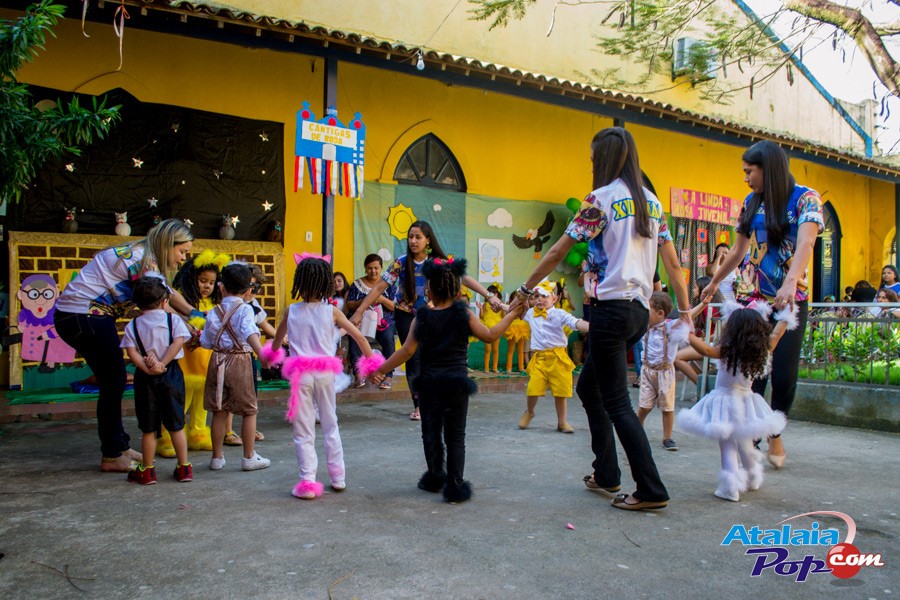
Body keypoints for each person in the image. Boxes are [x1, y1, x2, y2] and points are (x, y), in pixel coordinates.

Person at [510, 127, 692, 512]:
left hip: (611, 311)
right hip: (638, 311)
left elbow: (558, 252)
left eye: (593, 159)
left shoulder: (602, 199)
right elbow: (674, 264)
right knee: (590, 389)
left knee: (617, 403)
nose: (591, 165)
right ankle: (607, 473)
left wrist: (525, 291)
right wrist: (686, 310)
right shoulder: (651, 203)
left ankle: (651, 489)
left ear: (604, 160)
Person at [701, 140, 823, 470]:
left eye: (749, 171)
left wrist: (790, 280)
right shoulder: (751, 202)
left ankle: (775, 432)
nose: (745, 178)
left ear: (767, 169)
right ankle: (751, 435)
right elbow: (739, 250)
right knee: (752, 372)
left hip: (789, 301)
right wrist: (715, 281)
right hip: (752, 301)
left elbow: (807, 241)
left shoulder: (806, 198)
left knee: (784, 376)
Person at [370, 258, 521, 503]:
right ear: (458, 292)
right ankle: (455, 485)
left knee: (430, 432)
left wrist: (380, 370)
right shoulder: (464, 314)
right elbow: (491, 335)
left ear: (429, 291)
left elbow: (406, 351)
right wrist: (512, 314)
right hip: (456, 385)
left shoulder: (422, 317)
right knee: (456, 436)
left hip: (429, 385)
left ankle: (434, 477)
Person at [54, 219, 195, 472]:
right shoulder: (144, 261)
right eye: (182, 251)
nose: (183, 258)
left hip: (76, 316)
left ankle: (119, 446)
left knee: (113, 380)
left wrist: (193, 316)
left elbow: (167, 294)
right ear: (167, 243)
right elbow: (164, 301)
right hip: (85, 316)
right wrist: (192, 323)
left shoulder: (143, 255)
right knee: (114, 381)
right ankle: (111, 455)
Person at [350, 221, 503, 421]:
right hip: (406, 315)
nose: (413, 241)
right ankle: (419, 405)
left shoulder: (439, 262)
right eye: (410, 237)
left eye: (418, 237)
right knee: (412, 358)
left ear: (428, 240)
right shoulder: (400, 262)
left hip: (433, 314)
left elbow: (464, 278)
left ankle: (436, 398)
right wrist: (359, 311)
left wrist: (489, 296)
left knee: (430, 357)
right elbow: (379, 287)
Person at [268, 256, 377, 500]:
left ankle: (308, 481)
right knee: (330, 424)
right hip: (326, 374)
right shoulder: (332, 311)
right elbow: (360, 337)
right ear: (326, 282)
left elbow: (277, 342)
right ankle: (338, 477)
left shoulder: (291, 311)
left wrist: (270, 356)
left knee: (303, 429)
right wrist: (372, 364)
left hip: (301, 375)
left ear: (300, 282)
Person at [677, 303, 794, 501]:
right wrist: (786, 315)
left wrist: (687, 334)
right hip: (747, 401)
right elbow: (777, 334)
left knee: (727, 443)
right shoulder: (763, 349)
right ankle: (752, 477)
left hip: (725, 401)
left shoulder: (727, 351)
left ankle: (730, 488)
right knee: (745, 441)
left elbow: (706, 350)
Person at [155, 249, 229, 457]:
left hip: (206, 361)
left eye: (211, 282)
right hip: (185, 363)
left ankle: (198, 434)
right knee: (179, 401)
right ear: (191, 279)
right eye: (202, 280)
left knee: (202, 402)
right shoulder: (183, 304)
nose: (207, 286)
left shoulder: (215, 304)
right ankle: (168, 437)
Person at [120, 277, 193, 484]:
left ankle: (147, 470)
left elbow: (131, 351)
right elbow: (178, 343)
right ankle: (184, 468)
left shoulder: (133, 325)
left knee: (148, 427)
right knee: (176, 424)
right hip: (171, 374)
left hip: (145, 377)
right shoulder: (173, 320)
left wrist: (147, 368)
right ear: (164, 302)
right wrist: (162, 364)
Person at [201, 263, 270, 472]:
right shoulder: (245, 309)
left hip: (217, 360)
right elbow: (250, 332)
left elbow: (206, 342)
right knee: (249, 410)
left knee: (219, 410)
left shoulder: (214, 311)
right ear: (248, 290)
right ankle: (249, 457)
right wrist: (262, 354)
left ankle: (216, 458)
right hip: (240, 361)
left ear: (221, 287)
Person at [517, 280, 589, 434]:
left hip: (558, 358)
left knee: (560, 392)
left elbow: (575, 323)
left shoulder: (559, 314)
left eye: (545, 296)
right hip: (539, 359)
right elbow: (513, 311)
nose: (540, 299)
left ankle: (562, 422)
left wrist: (593, 327)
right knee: (532, 389)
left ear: (555, 298)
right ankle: (529, 412)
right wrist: (499, 305)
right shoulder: (530, 313)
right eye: (537, 296)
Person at [222, 264, 274, 446]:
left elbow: (264, 325)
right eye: (248, 285)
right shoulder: (231, 306)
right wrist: (262, 353)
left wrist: (282, 339)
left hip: (246, 355)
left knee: (250, 394)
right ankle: (228, 431)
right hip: (231, 354)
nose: (251, 291)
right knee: (227, 396)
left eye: (255, 287)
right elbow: (250, 334)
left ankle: (248, 430)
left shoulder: (253, 306)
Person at [637, 291, 690, 451]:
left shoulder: (669, 327)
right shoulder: (644, 326)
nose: (644, 313)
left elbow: (686, 317)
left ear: (660, 314)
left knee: (667, 407)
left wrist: (703, 304)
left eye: (648, 310)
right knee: (644, 406)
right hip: (647, 371)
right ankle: (636, 429)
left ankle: (667, 437)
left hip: (665, 373)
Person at [346, 254, 397, 389]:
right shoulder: (357, 285)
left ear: (381, 268)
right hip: (362, 322)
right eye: (369, 268)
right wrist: (364, 301)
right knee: (355, 337)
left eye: (376, 268)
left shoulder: (388, 285)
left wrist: (382, 299)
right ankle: (358, 375)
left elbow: (395, 307)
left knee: (388, 338)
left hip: (384, 322)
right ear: (365, 268)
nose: (373, 271)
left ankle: (388, 375)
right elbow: (349, 305)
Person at [504, 291, 530, 373]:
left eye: (518, 297)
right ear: (512, 298)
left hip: (522, 328)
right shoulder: (509, 306)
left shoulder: (523, 305)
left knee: (520, 349)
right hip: (512, 328)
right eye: (516, 297)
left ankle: (521, 367)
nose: (517, 299)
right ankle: (509, 368)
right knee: (511, 349)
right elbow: (505, 315)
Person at [480, 284, 504, 372]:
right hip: (487, 329)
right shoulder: (485, 304)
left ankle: (495, 368)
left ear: (497, 294)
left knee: (495, 349)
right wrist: (480, 309)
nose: (493, 295)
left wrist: (504, 308)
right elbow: (482, 317)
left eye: (494, 293)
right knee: (487, 349)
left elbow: (503, 317)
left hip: (497, 328)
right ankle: (486, 368)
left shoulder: (500, 305)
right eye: (490, 293)